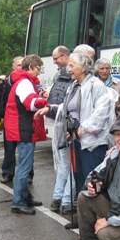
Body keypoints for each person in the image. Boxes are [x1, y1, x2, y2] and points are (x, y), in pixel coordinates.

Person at [41, 52, 115, 215]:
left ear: (83, 68)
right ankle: (85, 219)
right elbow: (66, 108)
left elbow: (101, 114)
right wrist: (51, 109)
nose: (68, 69)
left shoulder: (96, 86)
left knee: (93, 181)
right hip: (77, 141)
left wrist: (80, 130)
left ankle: (99, 217)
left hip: (93, 144)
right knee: (80, 179)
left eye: (72, 65)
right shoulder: (74, 86)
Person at [4, 54, 48, 215]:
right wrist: (47, 100)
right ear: (30, 67)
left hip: (21, 127)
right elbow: (31, 104)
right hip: (24, 128)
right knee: (24, 166)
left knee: (25, 165)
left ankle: (25, 197)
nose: (39, 72)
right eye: (38, 68)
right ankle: (18, 202)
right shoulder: (24, 82)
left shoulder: (21, 81)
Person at [47, 46, 73, 212]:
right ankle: (67, 201)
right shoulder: (77, 79)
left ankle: (57, 198)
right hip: (71, 127)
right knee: (73, 165)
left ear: (65, 56)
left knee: (64, 163)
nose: (54, 62)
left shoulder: (59, 76)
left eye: (56, 58)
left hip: (59, 123)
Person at [0, 56, 25, 184]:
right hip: (10, 120)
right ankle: (7, 173)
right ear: (13, 67)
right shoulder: (7, 82)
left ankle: (28, 174)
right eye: (19, 65)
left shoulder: (28, 81)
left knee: (25, 149)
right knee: (9, 149)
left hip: (24, 119)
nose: (21, 68)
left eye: (23, 65)